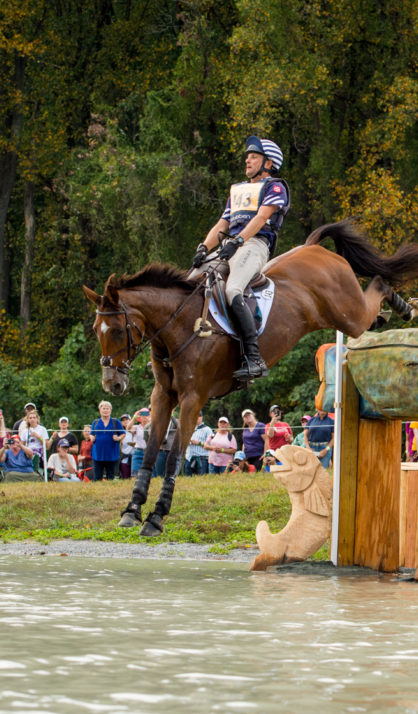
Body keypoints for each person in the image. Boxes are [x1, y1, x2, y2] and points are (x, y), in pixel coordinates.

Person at [191, 135, 290, 380]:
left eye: (254, 156)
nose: (247, 160)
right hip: (229, 245)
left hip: (254, 244)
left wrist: (237, 241)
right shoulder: (238, 190)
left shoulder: (275, 187)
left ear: (269, 163)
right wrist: (204, 247)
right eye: (248, 156)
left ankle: (254, 358)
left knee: (233, 290)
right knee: (190, 281)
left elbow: (260, 219)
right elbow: (222, 222)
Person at [90, 400, 125, 482]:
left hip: (111, 455)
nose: (105, 410)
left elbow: (123, 433)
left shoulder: (116, 422)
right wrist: (92, 437)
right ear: (100, 410)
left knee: (110, 477)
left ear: (111, 410)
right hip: (98, 455)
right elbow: (92, 434)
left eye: (107, 408)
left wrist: (118, 438)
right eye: (103, 408)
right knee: (97, 478)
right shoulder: (95, 422)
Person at [152, 414, 181, 479]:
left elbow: (179, 428)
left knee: (171, 474)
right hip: (160, 451)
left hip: (171, 451)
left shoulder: (177, 421)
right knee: (160, 475)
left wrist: (171, 416)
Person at [129, 408, 149, 479]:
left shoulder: (152, 426)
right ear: (139, 417)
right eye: (142, 415)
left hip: (149, 452)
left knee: (150, 475)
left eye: (147, 415)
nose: (144, 417)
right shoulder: (136, 427)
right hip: (138, 452)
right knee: (134, 475)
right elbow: (128, 428)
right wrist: (134, 417)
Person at [118, 413, 135, 479]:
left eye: (127, 419)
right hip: (125, 460)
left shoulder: (136, 429)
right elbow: (120, 447)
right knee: (125, 479)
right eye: (123, 420)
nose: (125, 421)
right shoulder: (121, 433)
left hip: (136, 458)